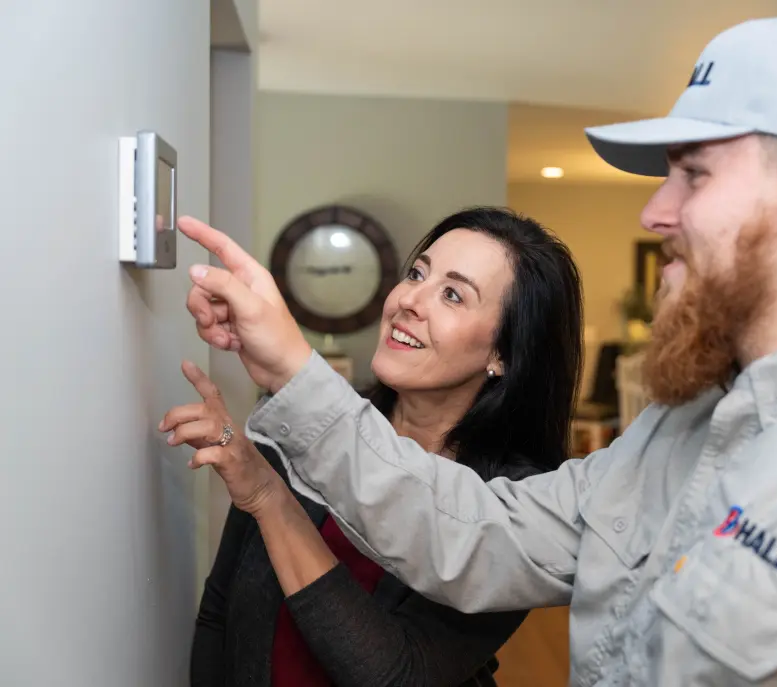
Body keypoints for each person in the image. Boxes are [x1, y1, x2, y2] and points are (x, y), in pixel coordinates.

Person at [177, 15, 777, 686]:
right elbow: (470, 532)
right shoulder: (676, 434)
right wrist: (291, 367)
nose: (656, 213)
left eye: (694, 175)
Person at [161, 207, 584, 686]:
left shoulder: (515, 509)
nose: (409, 300)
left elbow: (396, 675)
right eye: (416, 274)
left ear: (502, 353)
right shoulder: (301, 424)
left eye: (452, 294)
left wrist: (268, 499)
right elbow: (219, 614)